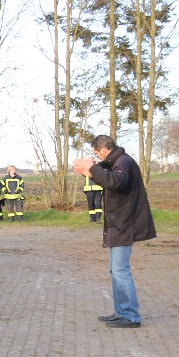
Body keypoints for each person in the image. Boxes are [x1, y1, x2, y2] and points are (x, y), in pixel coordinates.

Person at [73, 135, 156, 328]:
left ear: (103, 150)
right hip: (119, 223)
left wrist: (92, 168)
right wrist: (92, 169)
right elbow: (108, 177)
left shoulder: (123, 162)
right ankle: (121, 312)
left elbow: (116, 182)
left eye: (96, 153)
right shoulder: (118, 162)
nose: (97, 157)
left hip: (124, 224)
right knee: (116, 270)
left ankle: (131, 316)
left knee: (120, 270)